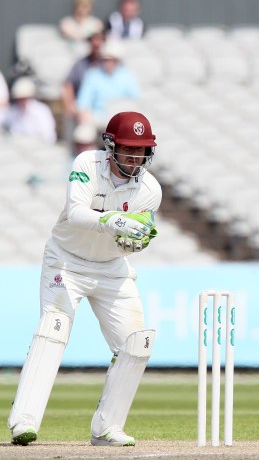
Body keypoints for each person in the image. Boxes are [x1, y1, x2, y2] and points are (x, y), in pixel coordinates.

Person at [8, 111, 161, 447]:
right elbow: (77, 213)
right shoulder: (87, 164)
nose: (134, 157)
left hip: (111, 268)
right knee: (54, 329)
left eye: (140, 150)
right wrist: (117, 221)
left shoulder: (150, 189)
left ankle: (107, 428)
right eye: (128, 148)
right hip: (66, 261)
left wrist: (135, 241)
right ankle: (24, 422)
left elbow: (134, 239)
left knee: (136, 342)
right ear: (111, 146)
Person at [76, 39, 139, 128]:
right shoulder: (93, 75)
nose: (109, 63)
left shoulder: (127, 75)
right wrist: (84, 112)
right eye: (106, 60)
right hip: (98, 118)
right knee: (83, 132)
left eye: (112, 60)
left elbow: (135, 98)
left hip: (122, 118)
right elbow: (83, 101)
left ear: (117, 60)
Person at [61, 30, 106, 143]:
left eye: (99, 40)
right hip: (82, 108)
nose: (97, 44)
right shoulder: (80, 64)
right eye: (93, 41)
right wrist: (70, 106)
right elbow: (68, 85)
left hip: (103, 109)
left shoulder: (109, 64)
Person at [2, 77, 56, 143]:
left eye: (25, 98)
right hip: (16, 146)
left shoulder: (41, 111)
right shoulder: (12, 111)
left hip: (38, 145)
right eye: (20, 99)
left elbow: (49, 135)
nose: (22, 101)